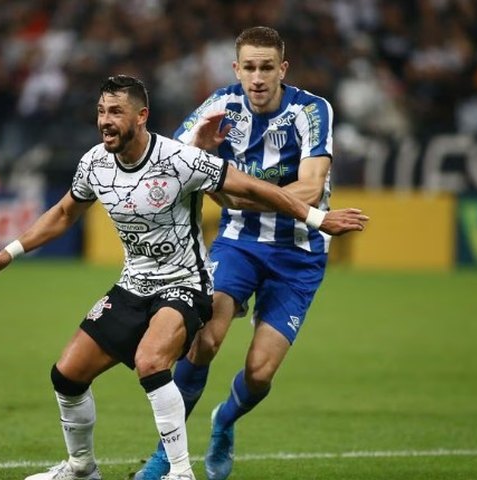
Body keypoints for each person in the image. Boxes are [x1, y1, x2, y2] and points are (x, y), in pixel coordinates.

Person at [0, 75, 366, 480]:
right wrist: (7, 252)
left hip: (185, 284)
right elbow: (64, 213)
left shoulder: (179, 159)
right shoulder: (94, 163)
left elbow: (256, 189)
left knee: (152, 361)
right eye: (101, 112)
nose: (105, 121)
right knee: (66, 374)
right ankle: (81, 468)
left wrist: (318, 217)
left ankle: (179, 470)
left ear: (141, 116)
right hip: (132, 284)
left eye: (116, 113)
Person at [134, 26, 341, 480]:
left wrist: (234, 192)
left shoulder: (311, 109)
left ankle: (224, 421)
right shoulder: (220, 106)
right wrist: (200, 151)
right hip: (239, 243)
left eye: (267, 67)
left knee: (260, 373)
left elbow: (309, 187)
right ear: (236, 69)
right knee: (203, 338)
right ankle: (166, 457)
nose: (258, 77)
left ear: (282, 69)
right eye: (249, 67)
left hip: (299, 255)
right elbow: (171, 158)